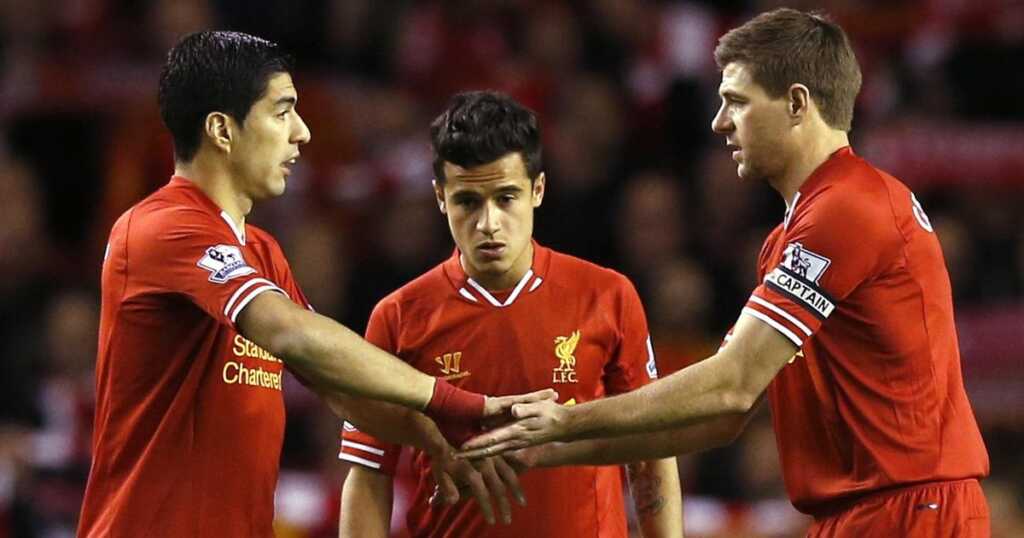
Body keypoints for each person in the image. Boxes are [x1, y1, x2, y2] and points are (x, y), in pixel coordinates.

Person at [462, 9, 991, 537]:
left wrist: (567, 418)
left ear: (797, 103)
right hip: (863, 514)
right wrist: (548, 447)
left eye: (736, 101)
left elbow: (732, 386)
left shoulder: (848, 207)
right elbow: (722, 417)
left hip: (912, 510)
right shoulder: (789, 237)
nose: (718, 121)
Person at [77, 32, 548, 538]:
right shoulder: (159, 226)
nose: (302, 133)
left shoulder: (261, 252)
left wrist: (434, 438)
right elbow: (289, 333)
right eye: (282, 113)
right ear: (221, 129)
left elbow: (339, 386)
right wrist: (450, 401)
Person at [336, 91, 682, 537]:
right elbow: (368, 473)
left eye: (506, 197)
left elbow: (651, 448)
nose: (488, 223)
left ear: (537, 189)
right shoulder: (399, 317)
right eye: (467, 202)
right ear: (440, 197)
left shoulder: (608, 296)